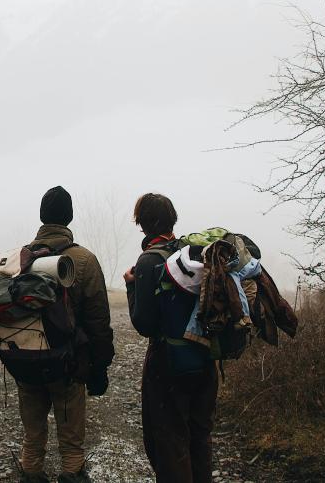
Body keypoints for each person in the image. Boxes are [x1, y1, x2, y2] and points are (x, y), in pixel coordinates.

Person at [16, 186, 114, 483]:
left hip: (26, 360)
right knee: (71, 440)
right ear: (69, 218)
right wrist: (100, 366)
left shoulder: (20, 259)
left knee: (33, 435)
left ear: (42, 217)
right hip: (67, 365)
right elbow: (98, 320)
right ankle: (72, 474)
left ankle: (31, 473)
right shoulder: (83, 260)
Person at [123, 193, 216, 483]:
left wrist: (131, 287)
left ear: (143, 224)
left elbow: (144, 324)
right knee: (199, 437)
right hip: (204, 357)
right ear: (171, 219)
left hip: (168, 364)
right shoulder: (192, 252)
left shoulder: (149, 260)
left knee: (169, 442)